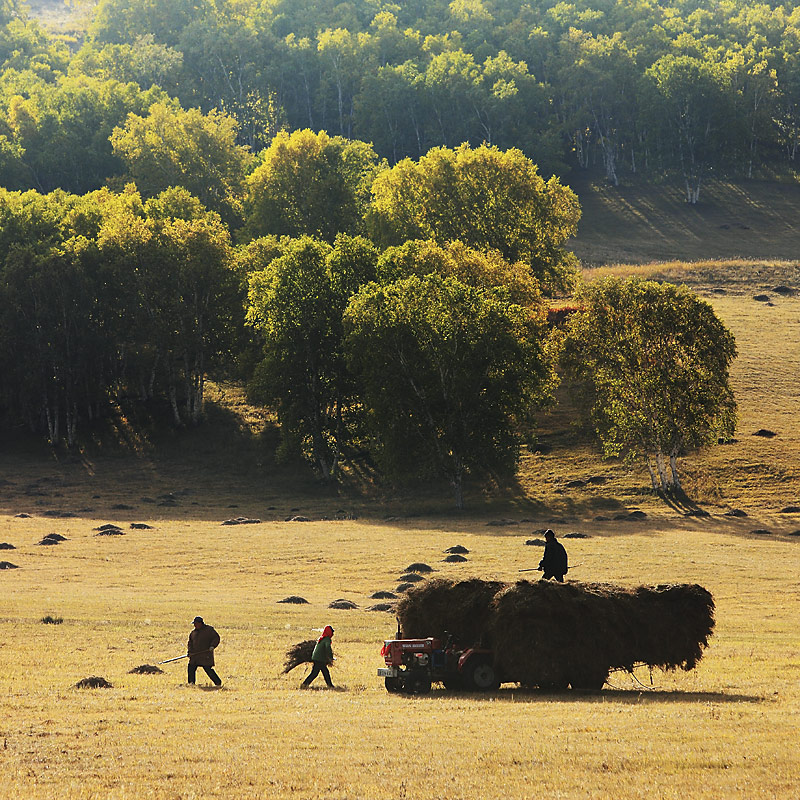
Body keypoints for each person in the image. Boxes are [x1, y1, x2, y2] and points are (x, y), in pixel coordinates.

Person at [187, 616, 222, 686]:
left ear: (200, 623)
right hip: (195, 655)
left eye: (196, 623)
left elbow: (216, 638)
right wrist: (189, 652)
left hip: (205, 655)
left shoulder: (209, 630)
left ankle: (218, 683)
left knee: (208, 669)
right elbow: (190, 643)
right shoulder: (193, 633)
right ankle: (191, 684)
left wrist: (212, 646)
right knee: (191, 668)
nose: (194, 625)